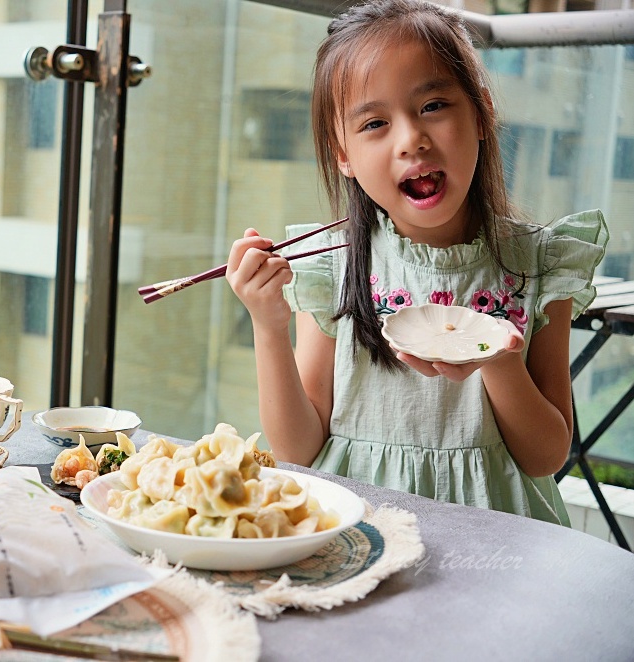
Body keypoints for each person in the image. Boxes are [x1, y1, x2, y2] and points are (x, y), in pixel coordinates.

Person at [225, 0, 609, 525]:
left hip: (495, 535)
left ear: (481, 113)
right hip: (362, 526)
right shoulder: (333, 266)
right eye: (375, 122)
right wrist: (267, 328)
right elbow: (297, 449)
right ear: (343, 155)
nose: (411, 140)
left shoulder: (540, 264)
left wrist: (497, 359)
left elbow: (546, 456)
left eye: (432, 106)